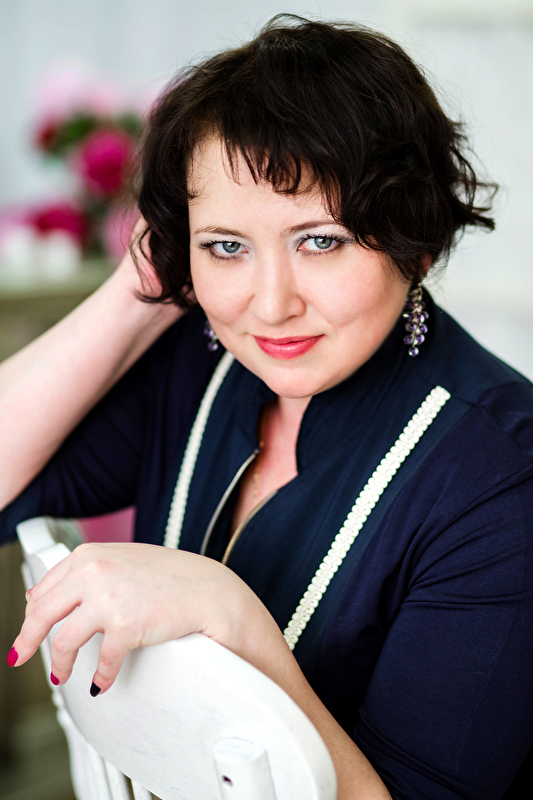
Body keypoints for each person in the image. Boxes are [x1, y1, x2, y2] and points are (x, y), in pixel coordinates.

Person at [1, 15, 532, 800]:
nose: (271, 305)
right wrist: (137, 291)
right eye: (226, 245)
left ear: (413, 238)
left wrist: (232, 617)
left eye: (320, 240)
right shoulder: (202, 361)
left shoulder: (498, 478)